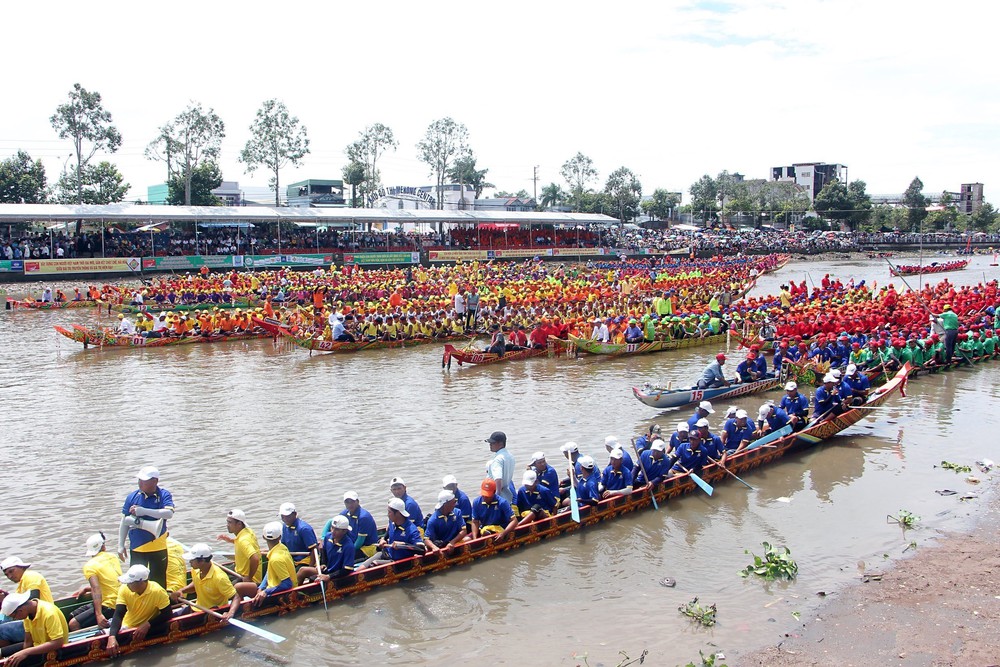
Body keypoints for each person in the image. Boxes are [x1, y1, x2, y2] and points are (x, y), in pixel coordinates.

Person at [118, 466, 174, 590]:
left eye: (144, 481)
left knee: (158, 583)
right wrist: (120, 545)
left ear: (155, 481)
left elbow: (168, 514)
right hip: (137, 548)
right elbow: (124, 521)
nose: (140, 483)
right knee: (135, 583)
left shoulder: (163, 494)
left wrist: (143, 511)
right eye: (139, 480)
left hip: (158, 547)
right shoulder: (132, 497)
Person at [106, 565, 172, 657]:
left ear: (141, 582)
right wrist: (112, 636)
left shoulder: (157, 591)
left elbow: (168, 614)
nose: (127, 584)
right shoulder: (124, 588)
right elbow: (118, 614)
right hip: (126, 625)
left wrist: (148, 624)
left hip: (143, 628)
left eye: (130, 582)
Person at [170, 544, 242, 620]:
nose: (189, 562)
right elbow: (197, 583)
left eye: (192, 560)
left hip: (211, 611)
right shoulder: (195, 570)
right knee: (170, 617)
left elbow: (236, 597)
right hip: (197, 607)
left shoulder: (219, 578)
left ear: (202, 561)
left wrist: (230, 613)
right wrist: (182, 590)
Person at [68, 534, 121, 632]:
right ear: (104, 546)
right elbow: (110, 582)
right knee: (72, 615)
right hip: (117, 600)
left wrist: (99, 615)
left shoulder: (89, 566)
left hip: (110, 605)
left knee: (73, 624)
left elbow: (96, 588)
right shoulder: (113, 557)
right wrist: (87, 589)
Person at [0, 591, 68, 667]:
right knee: (3, 653)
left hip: (52, 650)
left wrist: (26, 652)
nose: (14, 619)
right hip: (37, 645)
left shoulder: (49, 614)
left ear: (20, 611)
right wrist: (23, 653)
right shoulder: (28, 614)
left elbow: (58, 642)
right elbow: (28, 641)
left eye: (14, 617)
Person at [0, 557, 53, 649]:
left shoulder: (30, 577)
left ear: (21, 567)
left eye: (11, 571)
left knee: (1, 631)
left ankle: (6, 654)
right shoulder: (20, 586)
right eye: (6, 575)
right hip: (30, 620)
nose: (10, 576)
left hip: (40, 621)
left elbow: (33, 599)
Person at [357, 499, 425, 569]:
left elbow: (422, 550)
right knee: (361, 568)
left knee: (373, 565)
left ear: (398, 513)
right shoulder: (392, 522)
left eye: (389, 512)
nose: (387, 514)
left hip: (398, 561)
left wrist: (403, 545)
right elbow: (387, 533)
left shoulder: (411, 530)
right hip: (386, 554)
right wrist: (383, 539)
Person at [252, 522, 297, 606]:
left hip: (281, 592)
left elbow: (287, 584)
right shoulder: (282, 547)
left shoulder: (275, 559)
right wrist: (261, 587)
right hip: (271, 585)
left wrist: (266, 591)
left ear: (263, 537)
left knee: (240, 588)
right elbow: (269, 570)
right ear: (280, 537)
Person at [216, 509, 261, 587]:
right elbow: (241, 543)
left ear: (239, 524)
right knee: (217, 571)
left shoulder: (243, 540)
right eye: (227, 522)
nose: (227, 525)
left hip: (246, 577)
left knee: (226, 589)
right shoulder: (247, 531)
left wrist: (249, 577)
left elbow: (255, 559)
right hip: (238, 569)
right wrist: (230, 540)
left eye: (230, 522)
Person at [278, 503, 319, 582]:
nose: (285, 519)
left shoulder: (304, 529)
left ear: (295, 514)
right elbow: (283, 546)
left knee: (291, 579)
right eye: (283, 517)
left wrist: (310, 569)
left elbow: (314, 550)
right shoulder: (284, 526)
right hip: (293, 560)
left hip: (305, 561)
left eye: (288, 516)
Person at [339, 492, 379, 559]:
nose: (350, 505)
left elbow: (359, 542)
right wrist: (323, 538)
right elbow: (331, 522)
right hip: (352, 543)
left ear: (357, 501)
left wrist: (347, 552)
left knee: (341, 556)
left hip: (367, 547)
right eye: (347, 502)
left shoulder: (363, 517)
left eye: (352, 502)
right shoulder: (345, 513)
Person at [485, 431, 516, 504]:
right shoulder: (510, 456)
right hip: (507, 495)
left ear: (500, 443)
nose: (490, 445)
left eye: (492, 443)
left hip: (497, 496)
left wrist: (496, 496)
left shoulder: (498, 459)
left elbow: (498, 479)